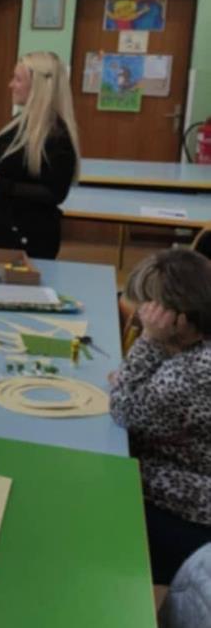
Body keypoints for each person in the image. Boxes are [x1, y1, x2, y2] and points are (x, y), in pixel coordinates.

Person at [109, 249, 211, 584]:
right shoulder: (195, 349)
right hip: (192, 470)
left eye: (147, 309)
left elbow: (124, 410)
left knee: (94, 498)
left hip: (197, 514)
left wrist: (149, 341)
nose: (141, 316)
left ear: (177, 319)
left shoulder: (195, 371)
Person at [0, 52, 79, 260]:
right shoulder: (19, 123)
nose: (11, 85)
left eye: (18, 79)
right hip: (1, 232)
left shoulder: (57, 136)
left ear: (38, 86)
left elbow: (55, 193)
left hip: (28, 239)